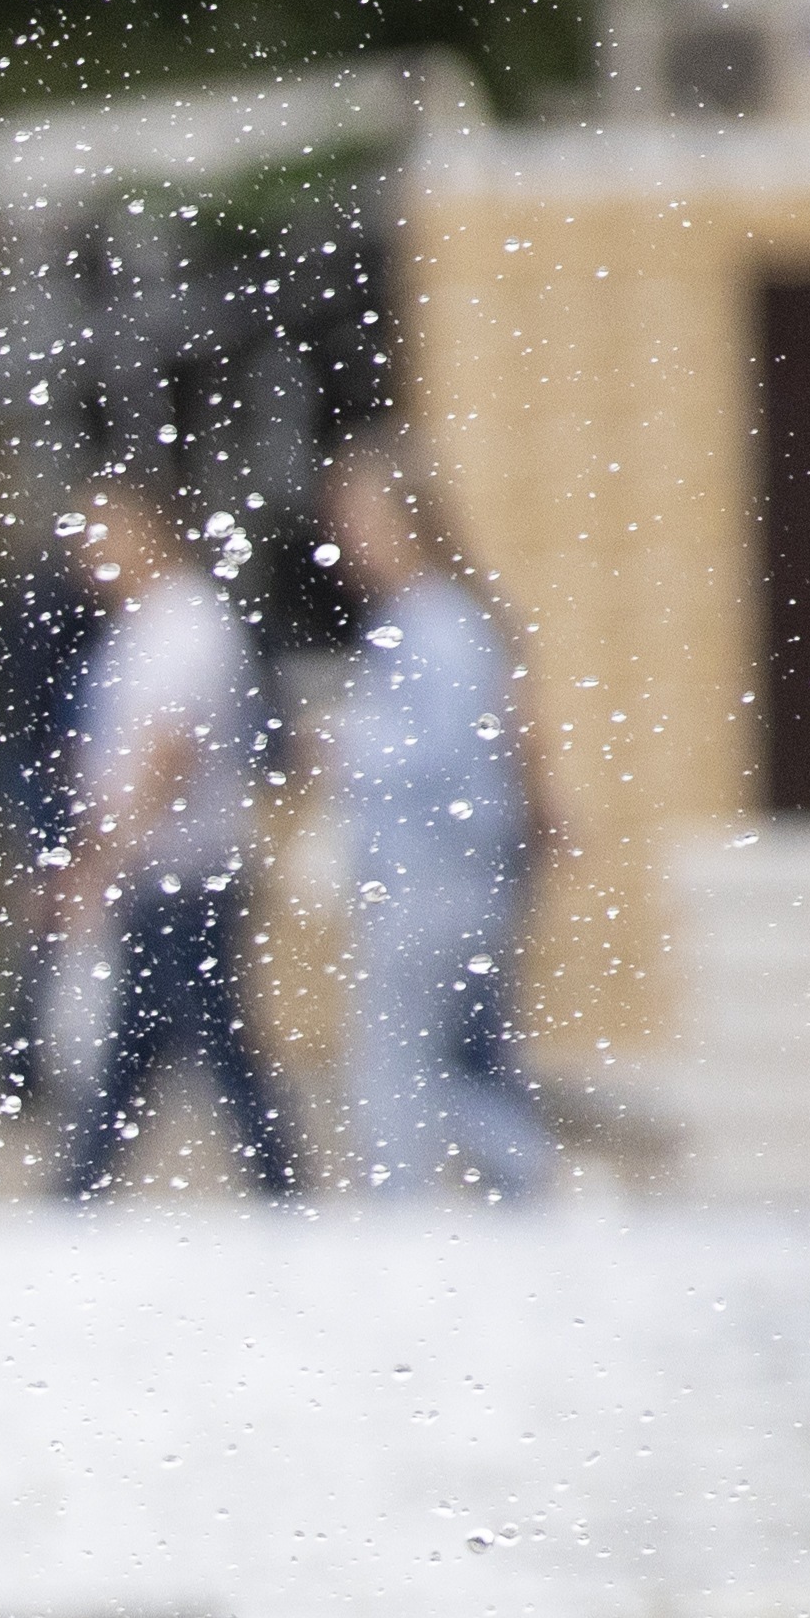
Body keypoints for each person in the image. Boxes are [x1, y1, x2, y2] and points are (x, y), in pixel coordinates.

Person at [320, 431, 557, 1201]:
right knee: (465, 1062)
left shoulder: (435, 624)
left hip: (434, 876)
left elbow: (451, 755)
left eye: (359, 518)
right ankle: (526, 1196)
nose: (345, 540)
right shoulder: (443, 619)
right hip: (456, 876)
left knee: (396, 1066)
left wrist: (344, 742)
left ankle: (415, 1220)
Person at [55, 479, 303, 1202]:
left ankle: (281, 1187)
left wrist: (101, 856)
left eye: (101, 539)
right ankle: (74, 1195)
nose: (89, 560)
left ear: (148, 530)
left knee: (210, 1045)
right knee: (149, 1046)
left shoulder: (184, 624)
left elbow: (168, 752)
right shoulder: (143, 625)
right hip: (162, 871)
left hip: (184, 872)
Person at [0, 483, 113, 1119]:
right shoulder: (64, 601)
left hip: (35, 771)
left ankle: (22, 1062)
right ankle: (23, 1061)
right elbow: (43, 719)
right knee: (56, 920)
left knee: (52, 925)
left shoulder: (44, 593)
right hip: (47, 776)